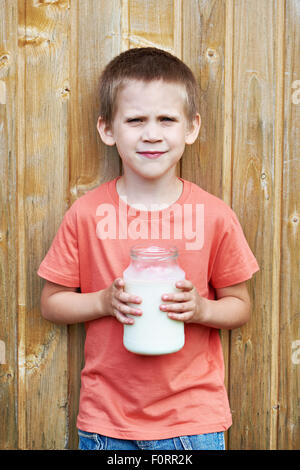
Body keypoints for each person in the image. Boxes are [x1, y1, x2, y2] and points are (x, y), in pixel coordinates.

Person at [38, 47, 259, 451]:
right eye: (136, 120)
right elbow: (52, 303)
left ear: (191, 128)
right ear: (108, 129)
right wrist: (103, 302)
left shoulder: (214, 215)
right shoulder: (86, 214)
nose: (152, 133)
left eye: (167, 120)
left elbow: (240, 306)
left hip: (192, 420)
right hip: (106, 421)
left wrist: (202, 310)